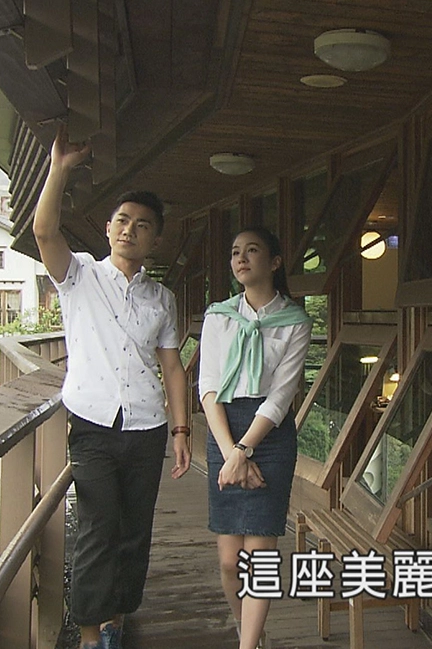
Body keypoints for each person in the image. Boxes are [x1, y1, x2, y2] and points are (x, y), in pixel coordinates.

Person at [32, 124, 192, 649]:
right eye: (122, 221)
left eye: (142, 225)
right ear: (107, 229)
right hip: (93, 425)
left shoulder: (161, 299)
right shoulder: (79, 276)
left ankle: (116, 620)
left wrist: (181, 431)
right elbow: (44, 232)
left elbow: (172, 368)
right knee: (99, 528)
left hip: (146, 428)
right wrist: (59, 169)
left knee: (134, 530)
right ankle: (87, 632)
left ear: (155, 239)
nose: (129, 230)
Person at [197, 226, 312, 649]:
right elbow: (208, 386)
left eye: (252, 250)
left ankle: (247, 645)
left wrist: (246, 449)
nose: (241, 259)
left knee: (259, 558)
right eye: (235, 252)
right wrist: (231, 451)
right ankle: (249, 628)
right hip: (223, 428)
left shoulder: (295, 322)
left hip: (270, 435)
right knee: (230, 562)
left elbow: (282, 395)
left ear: (275, 262)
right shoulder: (218, 316)